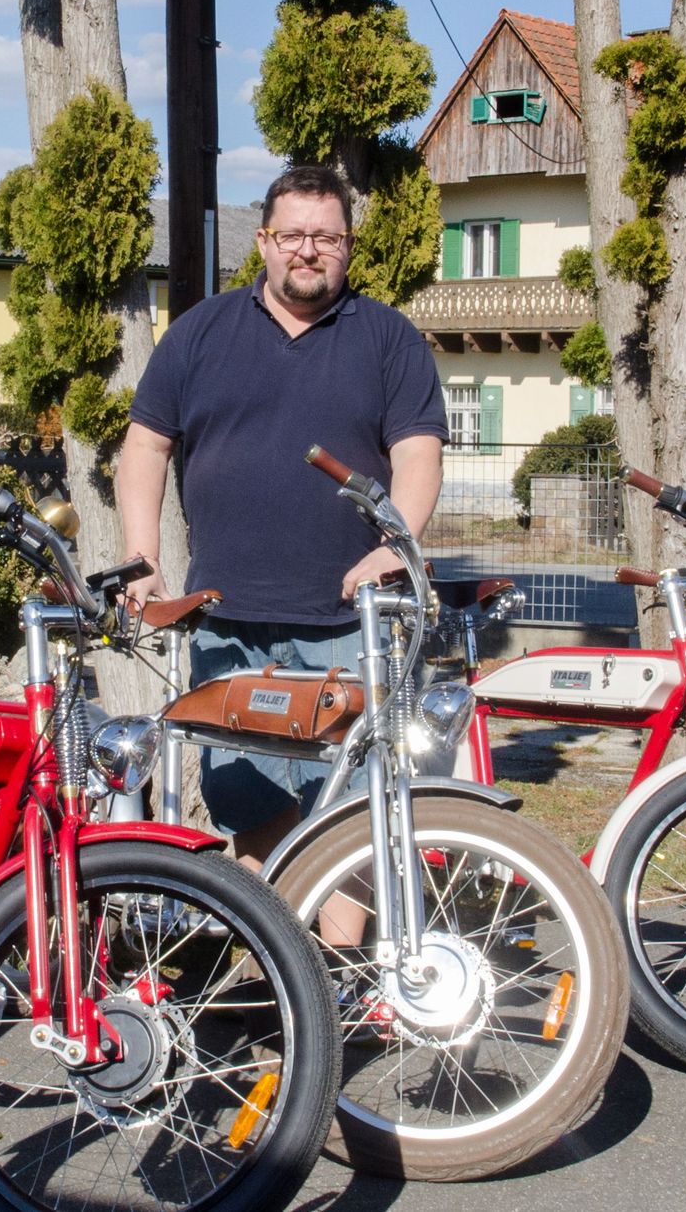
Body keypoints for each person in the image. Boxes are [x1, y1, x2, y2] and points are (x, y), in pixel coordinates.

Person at [116, 164, 449, 871]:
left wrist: (398, 544)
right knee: (249, 802)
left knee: (350, 813)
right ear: (264, 241)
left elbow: (418, 454)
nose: (307, 250)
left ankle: (337, 976)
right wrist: (143, 557)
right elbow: (144, 446)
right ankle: (276, 964)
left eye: (325, 237)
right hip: (227, 620)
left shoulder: (388, 339)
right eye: (292, 234)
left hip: (346, 624)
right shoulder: (200, 332)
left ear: (349, 246)